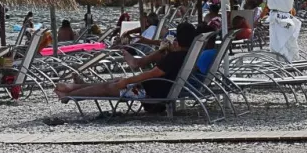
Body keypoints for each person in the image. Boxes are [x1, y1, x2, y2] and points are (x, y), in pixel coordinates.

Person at [54, 27, 208, 105]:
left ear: (177, 41)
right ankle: (73, 88)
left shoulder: (174, 57)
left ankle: (70, 95)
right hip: (157, 88)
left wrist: (127, 81)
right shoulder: (188, 55)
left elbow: (152, 73)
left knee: (109, 87)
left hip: (151, 92)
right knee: (114, 82)